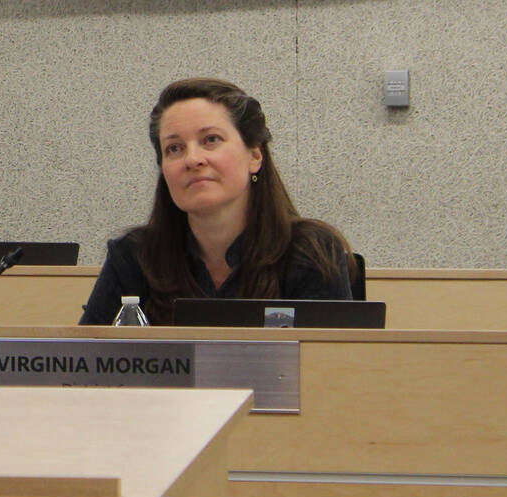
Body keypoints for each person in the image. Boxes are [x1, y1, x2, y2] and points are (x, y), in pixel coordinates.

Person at [80, 76, 354, 325]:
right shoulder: (133, 256)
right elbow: (84, 366)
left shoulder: (310, 250)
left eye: (211, 140)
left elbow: (331, 368)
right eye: (174, 148)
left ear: (255, 156)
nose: (192, 159)